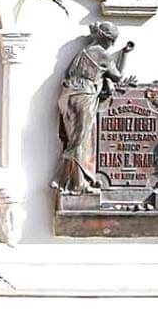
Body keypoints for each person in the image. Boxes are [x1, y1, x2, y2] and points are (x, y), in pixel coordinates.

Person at [54, 22, 134, 192]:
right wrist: (124, 54)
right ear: (107, 38)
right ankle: (78, 183)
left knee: (75, 140)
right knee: (81, 141)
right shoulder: (102, 54)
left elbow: (68, 73)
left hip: (68, 96)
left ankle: (63, 180)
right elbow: (118, 76)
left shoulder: (83, 52)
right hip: (84, 96)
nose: (113, 43)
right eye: (113, 40)